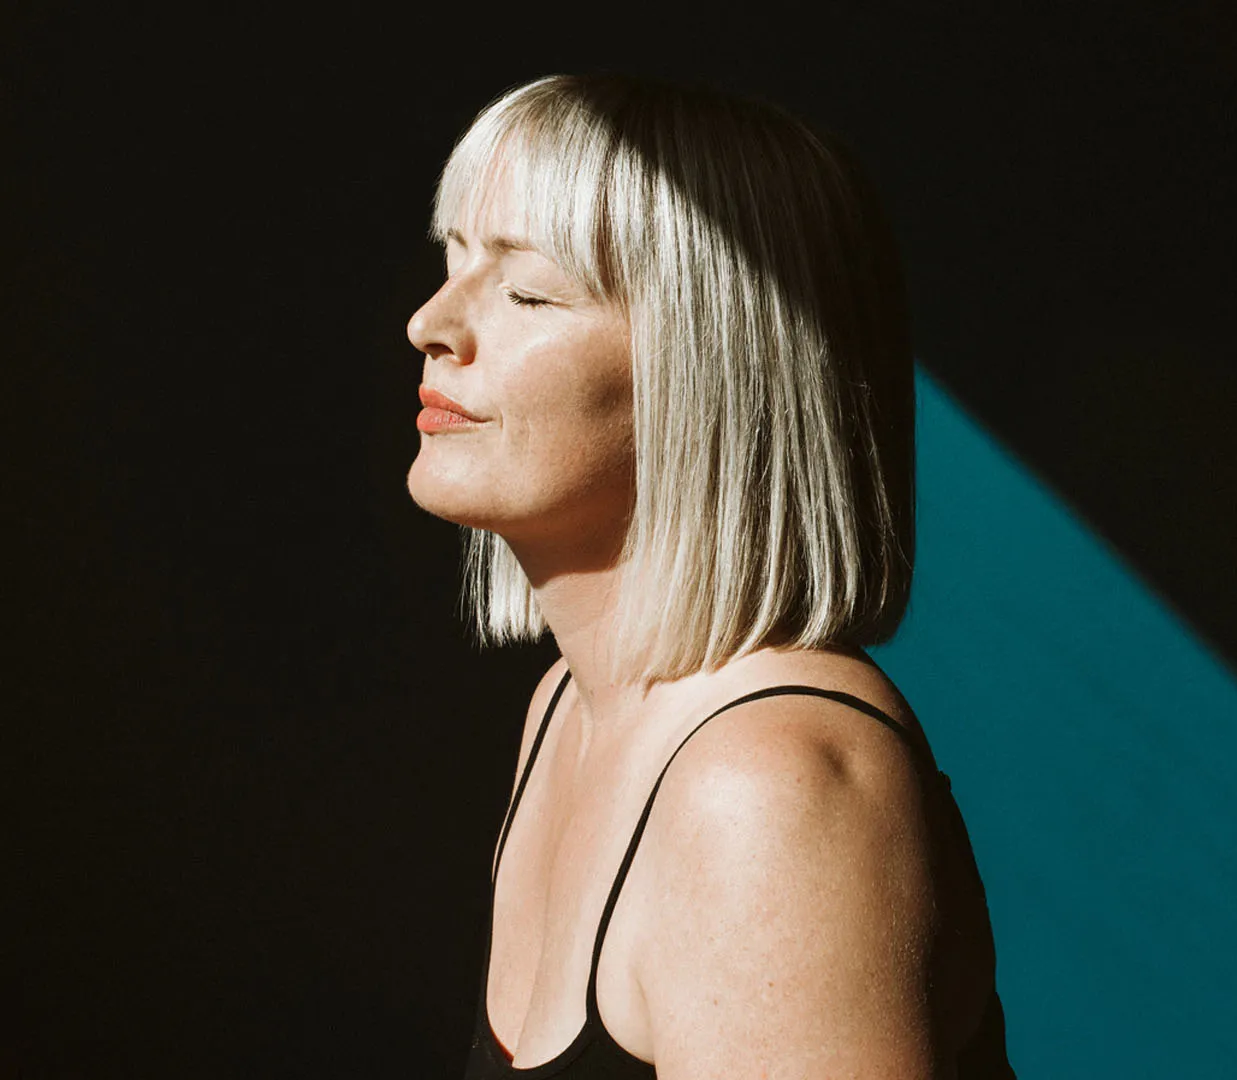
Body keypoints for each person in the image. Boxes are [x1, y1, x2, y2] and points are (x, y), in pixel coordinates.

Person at [404, 74, 1015, 1079]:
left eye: (527, 291)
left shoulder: (765, 791)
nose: (430, 323)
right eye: (453, 259)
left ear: (708, 369)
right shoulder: (568, 707)